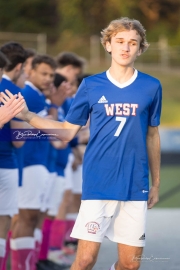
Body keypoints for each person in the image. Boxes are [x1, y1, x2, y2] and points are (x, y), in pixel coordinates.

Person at [1, 17, 162, 270]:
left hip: (135, 183)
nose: (125, 47)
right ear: (108, 44)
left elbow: (152, 135)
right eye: (119, 41)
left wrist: (156, 182)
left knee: (130, 265)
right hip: (98, 182)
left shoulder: (152, 86)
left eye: (132, 43)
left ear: (140, 48)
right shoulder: (90, 85)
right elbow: (66, 132)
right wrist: (29, 116)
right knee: (85, 260)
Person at [0, 42, 26, 270]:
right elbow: (19, 139)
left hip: (9, 162)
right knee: (6, 220)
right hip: (8, 162)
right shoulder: (13, 93)